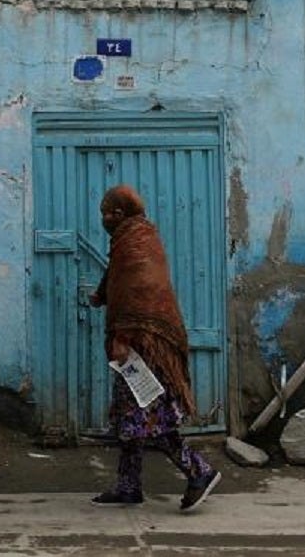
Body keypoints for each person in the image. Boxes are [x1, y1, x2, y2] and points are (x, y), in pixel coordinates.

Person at [88, 184, 222, 512]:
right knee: (129, 414)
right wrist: (102, 293)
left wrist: (122, 336)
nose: (104, 219)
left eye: (108, 213)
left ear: (120, 213)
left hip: (144, 341)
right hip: (142, 340)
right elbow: (119, 278)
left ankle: (198, 471)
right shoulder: (133, 236)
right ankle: (128, 486)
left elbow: (138, 289)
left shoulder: (134, 241)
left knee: (147, 416)